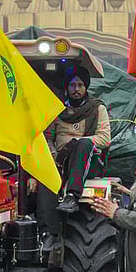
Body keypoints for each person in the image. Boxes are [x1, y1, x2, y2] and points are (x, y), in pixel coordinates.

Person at [51, 66, 111, 213]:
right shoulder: (57, 110)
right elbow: (48, 138)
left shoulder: (97, 108)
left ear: (86, 87)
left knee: (83, 144)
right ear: (67, 88)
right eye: (72, 85)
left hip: (89, 161)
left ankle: (72, 195)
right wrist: (52, 157)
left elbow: (105, 138)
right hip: (60, 161)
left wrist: (76, 143)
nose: (76, 89)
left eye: (80, 85)